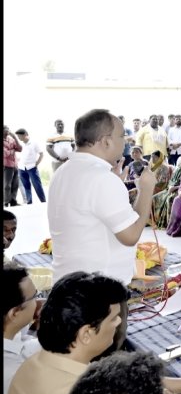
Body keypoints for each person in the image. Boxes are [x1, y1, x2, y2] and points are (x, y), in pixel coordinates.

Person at [7, 272, 181, 394]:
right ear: (86, 334)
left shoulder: (38, 361)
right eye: (114, 320)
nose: (120, 324)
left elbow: (131, 385)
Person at [48, 109, 157, 286]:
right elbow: (130, 236)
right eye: (122, 136)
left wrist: (115, 184)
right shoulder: (102, 179)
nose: (126, 142)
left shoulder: (63, 171)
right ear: (106, 141)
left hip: (68, 283)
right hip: (97, 293)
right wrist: (146, 190)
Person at [3, 263, 42, 394]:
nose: (38, 301)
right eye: (35, 296)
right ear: (14, 313)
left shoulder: (10, 331)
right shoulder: (14, 374)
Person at [151, 151, 181, 229]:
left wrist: (175, 188)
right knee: (154, 198)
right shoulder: (178, 169)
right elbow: (171, 181)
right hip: (170, 188)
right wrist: (170, 187)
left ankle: (171, 224)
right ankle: (157, 221)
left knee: (170, 199)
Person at [14, 129, 46, 204]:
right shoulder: (21, 145)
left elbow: (41, 154)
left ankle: (43, 201)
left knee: (37, 186)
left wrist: (36, 164)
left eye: (19, 136)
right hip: (21, 168)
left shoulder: (34, 143)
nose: (18, 138)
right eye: (17, 136)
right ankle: (29, 201)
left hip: (32, 168)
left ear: (24, 134)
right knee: (26, 186)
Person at [3, 126, 22, 207]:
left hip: (15, 165)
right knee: (7, 185)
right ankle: (6, 202)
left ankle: (13, 201)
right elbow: (5, 154)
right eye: (6, 130)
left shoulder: (11, 139)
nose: (8, 131)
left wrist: (15, 137)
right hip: (6, 165)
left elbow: (20, 149)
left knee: (15, 184)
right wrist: (13, 150)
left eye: (8, 130)